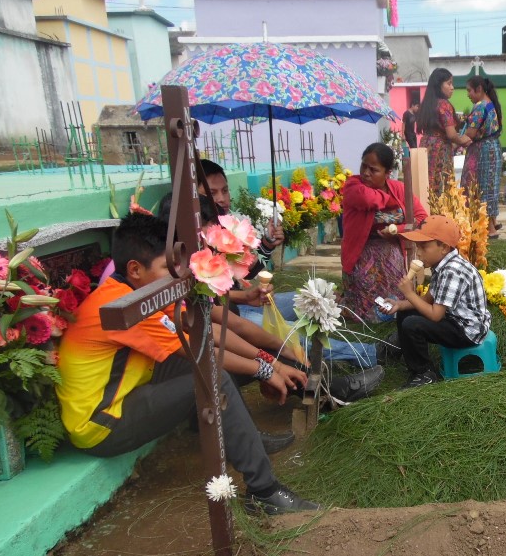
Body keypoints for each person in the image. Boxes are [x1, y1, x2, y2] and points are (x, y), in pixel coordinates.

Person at [56, 211, 320, 515]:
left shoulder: (140, 288)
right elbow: (201, 352)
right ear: (135, 268)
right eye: (167, 268)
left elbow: (207, 333)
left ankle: (279, 413)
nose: (176, 276)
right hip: (101, 423)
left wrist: (268, 361)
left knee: (218, 366)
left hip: (132, 390)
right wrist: (266, 368)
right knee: (213, 376)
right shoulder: (123, 306)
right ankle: (264, 490)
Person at [192, 164, 378, 368]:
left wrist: (266, 245)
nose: (221, 198)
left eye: (225, 190)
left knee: (311, 298)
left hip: (244, 303)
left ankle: (328, 351)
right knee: (291, 331)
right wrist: (244, 296)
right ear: (194, 195)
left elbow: (244, 271)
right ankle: (367, 354)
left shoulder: (226, 224)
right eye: (212, 193)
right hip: (230, 314)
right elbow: (206, 297)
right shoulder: (193, 236)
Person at [386, 215, 491, 389]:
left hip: (467, 330)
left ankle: (424, 374)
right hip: (454, 320)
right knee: (406, 313)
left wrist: (409, 294)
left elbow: (435, 315)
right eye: (418, 246)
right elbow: (427, 300)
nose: (418, 252)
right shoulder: (441, 266)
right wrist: (400, 304)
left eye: (424, 247)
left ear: (443, 248)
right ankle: (401, 349)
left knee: (413, 324)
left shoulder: (452, 271)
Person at [341, 142, 429, 324]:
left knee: (395, 301)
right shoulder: (353, 186)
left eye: (373, 170)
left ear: (388, 173)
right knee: (362, 312)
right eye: (364, 166)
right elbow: (369, 199)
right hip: (361, 252)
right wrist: (391, 200)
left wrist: (399, 230)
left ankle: (391, 313)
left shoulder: (399, 189)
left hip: (391, 252)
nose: (366, 173)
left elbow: (421, 218)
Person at [417, 68, 471, 199]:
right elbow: (452, 134)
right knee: (441, 186)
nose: (452, 88)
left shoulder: (427, 104)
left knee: (426, 184)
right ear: (438, 85)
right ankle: (440, 217)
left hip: (425, 146)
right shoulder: (444, 105)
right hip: (440, 149)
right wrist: (466, 140)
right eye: (449, 83)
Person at [461, 76, 503, 238]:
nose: (468, 95)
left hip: (482, 151)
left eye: (469, 91)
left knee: (479, 187)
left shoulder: (479, 107)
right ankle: (493, 222)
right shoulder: (491, 104)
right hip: (493, 147)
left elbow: (470, 134)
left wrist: (454, 141)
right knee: (490, 186)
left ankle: (488, 228)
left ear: (479, 89)